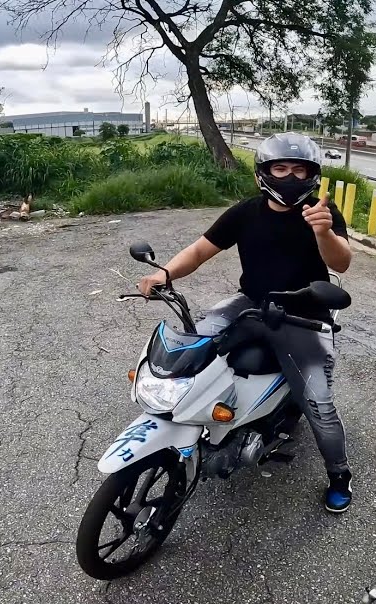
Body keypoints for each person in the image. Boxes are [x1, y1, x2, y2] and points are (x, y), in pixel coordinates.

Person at [136, 133, 356, 512]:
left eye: (298, 169)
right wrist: (165, 275)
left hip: (304, 312)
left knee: (318, 403)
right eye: (280, 168)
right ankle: (184, 421)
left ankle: (340, 474)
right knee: (195, 343)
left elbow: (341, 263)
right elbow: (200, 250)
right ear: (263, 174)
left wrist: (322, 231)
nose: (289, 176)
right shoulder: (245, 212)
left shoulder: (321, 213)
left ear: (312, 175)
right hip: (251, 302)